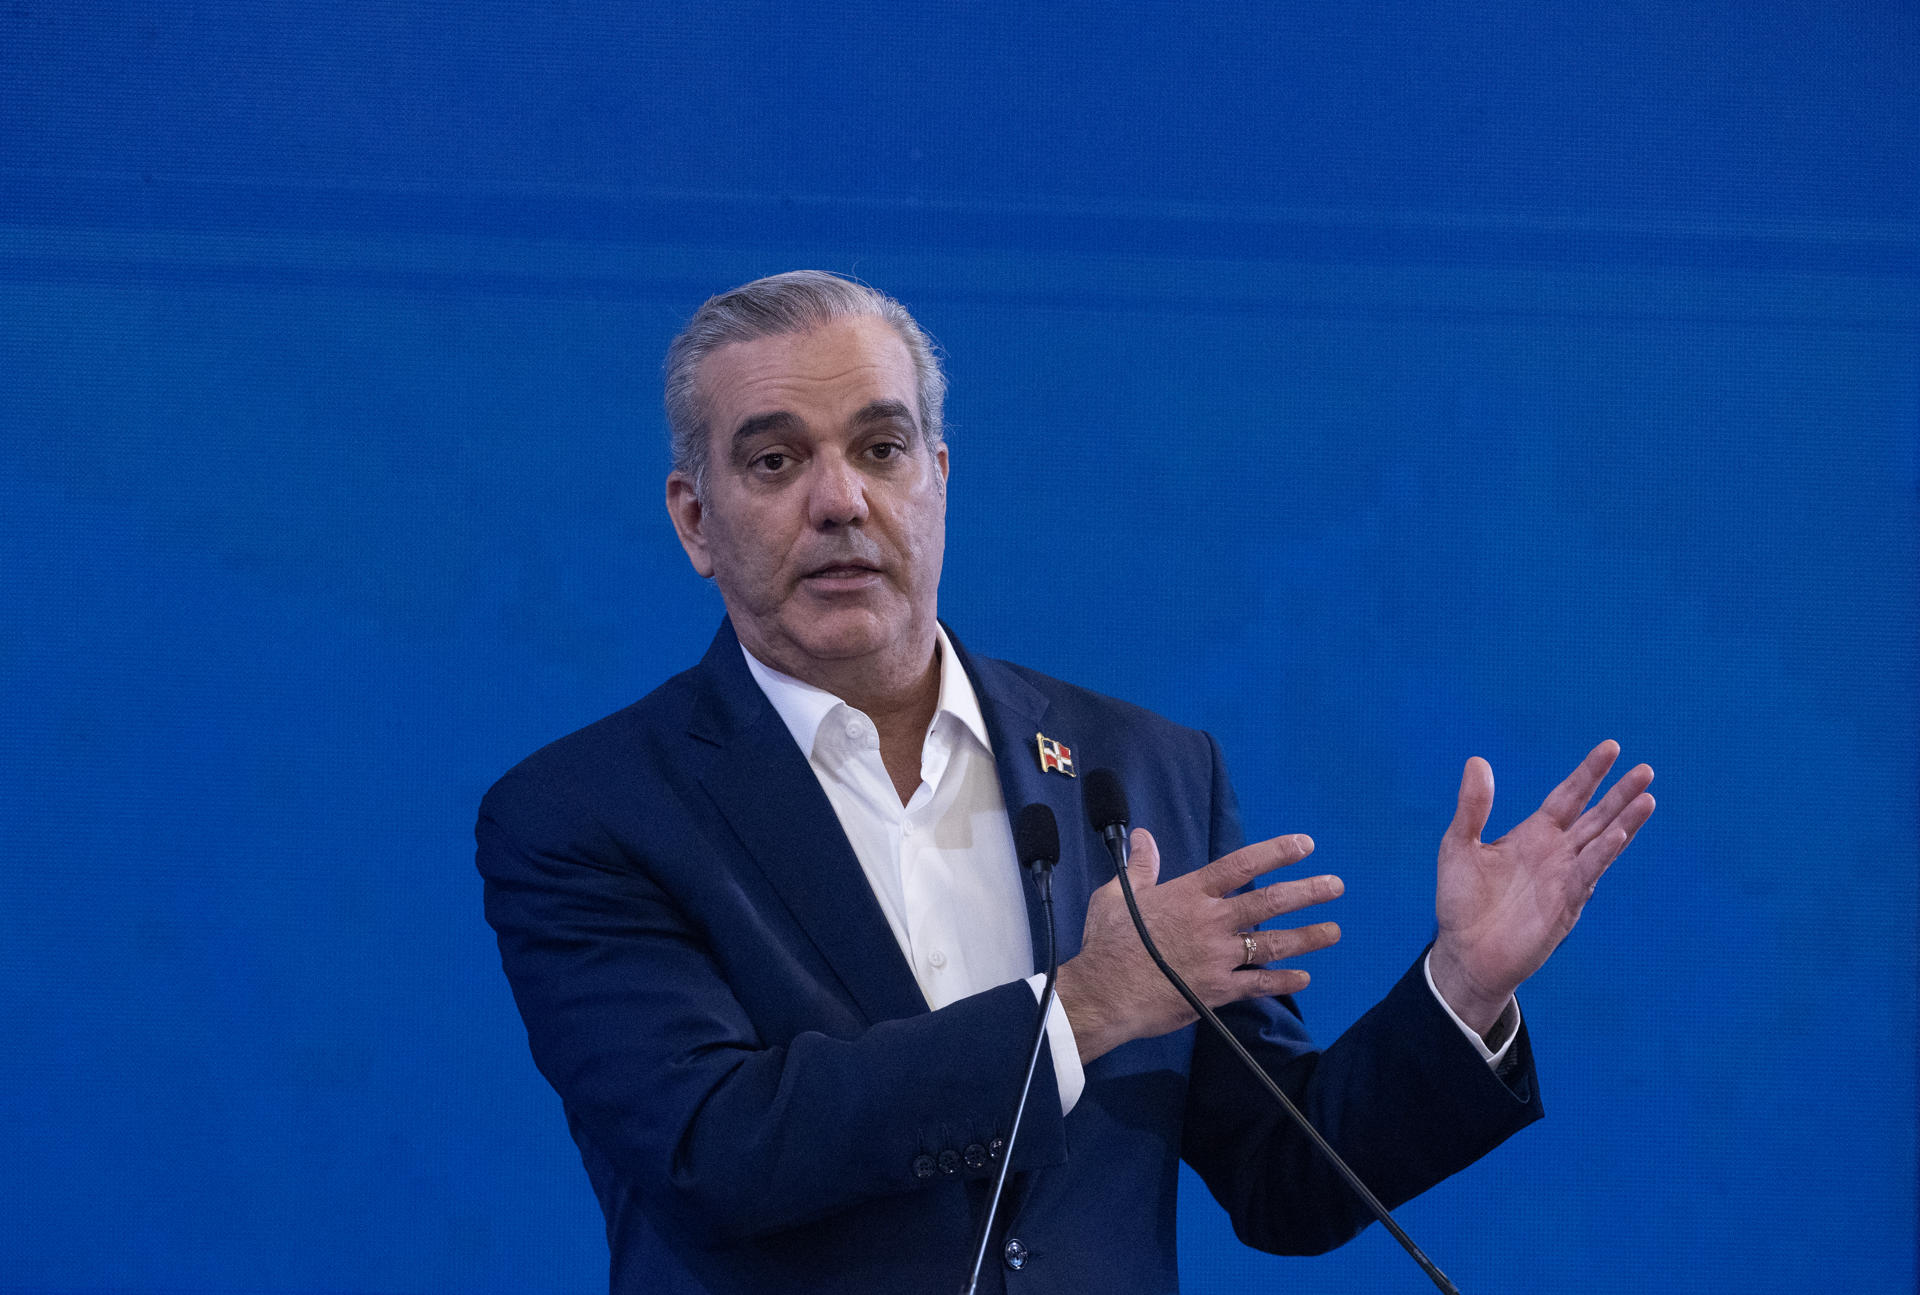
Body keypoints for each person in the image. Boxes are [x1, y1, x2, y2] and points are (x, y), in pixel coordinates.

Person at [476, 271, 1655, 1294]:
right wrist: (1083, 1006)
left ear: (937, 476)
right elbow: (714, 1147)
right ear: (695, 518)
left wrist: (1458, 987)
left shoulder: (1140, 768)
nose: (840, 499)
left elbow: (1282, 1177)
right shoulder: (588, 812)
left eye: (881, 448)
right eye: (777, 459)